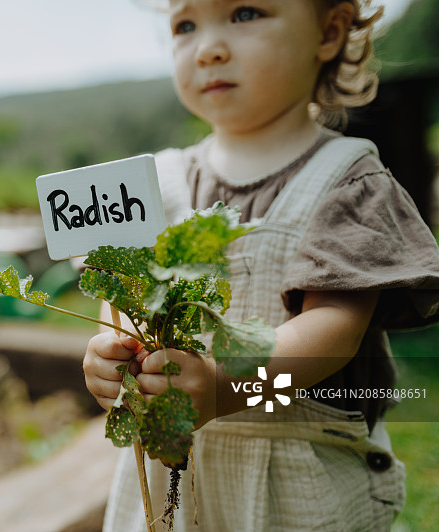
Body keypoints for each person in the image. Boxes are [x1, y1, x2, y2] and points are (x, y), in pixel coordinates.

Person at [82, 0, 439, 530]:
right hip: (166, 484)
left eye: (245, 14)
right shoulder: (154, 183)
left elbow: (334, 330)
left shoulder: (345, 181)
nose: (209, 49)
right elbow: (126, 298)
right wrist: (112, 356)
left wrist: (229, 387)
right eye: (185, 25)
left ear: (329, 32)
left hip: (291, 487)